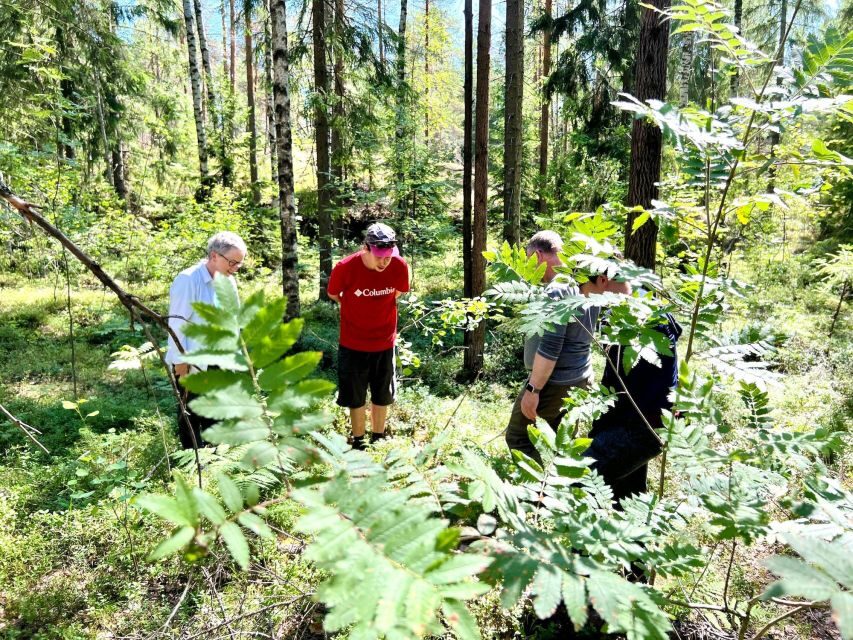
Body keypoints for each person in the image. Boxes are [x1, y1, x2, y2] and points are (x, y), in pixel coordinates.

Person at [505, 230, 630, 462]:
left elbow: (551, 346)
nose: (530, 269)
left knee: (519, 438)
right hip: (579, 378)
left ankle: (537, 493)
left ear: (539, 256)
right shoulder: (584, 282)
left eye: (529, 259)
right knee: (557, 440)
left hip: (555, 382)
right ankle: (561, 486)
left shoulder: (558, 289)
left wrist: (533, 390)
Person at [327, 223, 410, 450]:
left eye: (389, 257)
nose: (385, 262)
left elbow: (400, 291)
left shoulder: (399, 266)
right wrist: (354, 306)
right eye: (380, 257)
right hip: (353, 342)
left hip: (384, 341)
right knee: (355, 395)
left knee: (382, 394)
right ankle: (359, 440)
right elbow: (333, 293)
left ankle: (378, 437)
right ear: (366, 248)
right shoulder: (345, 267)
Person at [586, 311, 682, 506]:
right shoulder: (633, 319)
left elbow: (631, 389)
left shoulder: (648, 326)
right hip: (640, 423)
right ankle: (631, 534)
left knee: (579, 476)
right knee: (628, 496)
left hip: (642, 426)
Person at [165, 231, 247, 449]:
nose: (235, 268)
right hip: (192, 360)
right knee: (190, 412)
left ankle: (215, 459)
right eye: (232, 262)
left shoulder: (229, 282)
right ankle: (193, 459)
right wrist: (180, 361)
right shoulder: (188, 280)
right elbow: (176, 323)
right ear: (213, 256)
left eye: (239, 264)